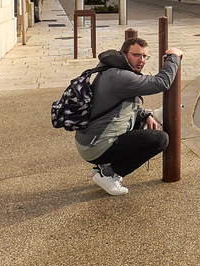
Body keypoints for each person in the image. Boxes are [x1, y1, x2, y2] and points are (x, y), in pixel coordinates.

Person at [75, 37, 183, 196]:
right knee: (160, 139)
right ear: (124, 54)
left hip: (89, 142)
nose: (141, 60)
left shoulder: (110, 69)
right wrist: (174, 57)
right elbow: (161, 82)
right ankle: (109, 174)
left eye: (145, 56)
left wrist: (145, 115)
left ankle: (102, 166)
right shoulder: (121, 77)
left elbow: (118, 106)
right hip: (96, 147)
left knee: (139, 123)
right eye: (136, 55)